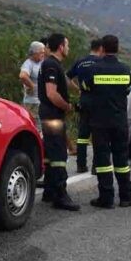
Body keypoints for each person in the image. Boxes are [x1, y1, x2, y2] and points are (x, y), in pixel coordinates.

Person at [78, 34, 131, 209]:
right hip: (119, 122)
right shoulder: (125, 70)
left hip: (99, 122)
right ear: (117, 49)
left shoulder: (94, 69)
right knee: (121, 160)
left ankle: (106, 198)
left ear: (102, 48)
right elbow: (126, 90)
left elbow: (85, 88)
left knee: (102, 161)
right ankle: (126, 196)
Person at [38, 33, 80, 211]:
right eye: (67, 45)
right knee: (59, 155)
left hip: (51, 114)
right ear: (61, 47)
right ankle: (61, 195)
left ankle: (49, 190)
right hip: (53, 114)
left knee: (50, 152)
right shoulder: (51, 65)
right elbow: (51, 94)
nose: (68, 49)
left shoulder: (53, 65)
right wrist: (67, 106)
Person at [67, 38, 103, 174]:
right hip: (99, 102)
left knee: (83, 135)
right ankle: (96, 166)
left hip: (84, 101)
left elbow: (66, 77)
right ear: (101, 49)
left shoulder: (80, 62)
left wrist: (77, 89)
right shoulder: (101, 62)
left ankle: (81, 165)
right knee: (98, 134)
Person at [19, 41, 46, 134]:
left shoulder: (41, 62)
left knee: (42, 126)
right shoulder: (28, 63)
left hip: (41, 101)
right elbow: (23, 76)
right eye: (41, 52)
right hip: (32, 102)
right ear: (34, 53)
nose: (43, 54)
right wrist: (31, 86)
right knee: (35, 126)